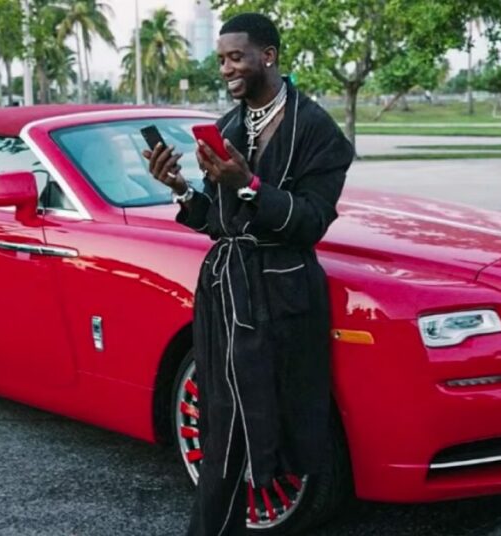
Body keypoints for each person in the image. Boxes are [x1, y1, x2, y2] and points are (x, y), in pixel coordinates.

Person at [142, 13, 355, 535]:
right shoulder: (228, 128)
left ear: (269, 56)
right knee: (226, 425)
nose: (226, 69)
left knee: (257, 425)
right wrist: (179, 188)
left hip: (282, 295)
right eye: (220, 60)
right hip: (225, 294)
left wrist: (249, 185)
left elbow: (311, 222)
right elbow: (218, 224)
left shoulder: (318, 130)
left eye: (235, 57)